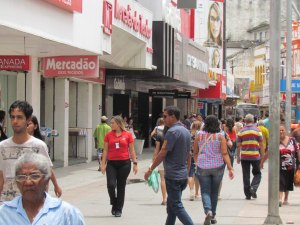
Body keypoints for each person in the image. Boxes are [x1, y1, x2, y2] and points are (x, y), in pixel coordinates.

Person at [0, 100, 62, 202]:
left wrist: (53, 188)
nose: (15, 121)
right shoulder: (2, 147)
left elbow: (46, 174)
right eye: (12, 117)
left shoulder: (39, 146)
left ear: (28, 119)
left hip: (31, 204)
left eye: (19, 117)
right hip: (6, 205)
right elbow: (1, 176)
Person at [0, 153, 85, 224]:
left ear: (46, 180)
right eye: (22, 177)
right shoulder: (4, 213)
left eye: (34, 176)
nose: (28, 182)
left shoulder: (67, 213)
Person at [144, 106, 194, 225]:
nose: (163, 118)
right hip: (181, 175)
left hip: (174, 176)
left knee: (176, 206)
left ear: (173, 117)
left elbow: (162, 152)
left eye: (165, 116)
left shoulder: (172, 132)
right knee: (171, 208)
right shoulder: (185, 131)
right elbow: (189, 155)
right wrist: (186, 172)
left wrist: (150, 169)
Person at [193, 115, 234, 225]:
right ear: (217, 124)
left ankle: (208, 211)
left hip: (203, 167)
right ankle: (213, 216)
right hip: (218, 166)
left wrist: (197, 161)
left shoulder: (199, 135)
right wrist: (230, 168)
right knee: (214, 192)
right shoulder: (221, 136)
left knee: (205, 191)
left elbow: (195, 152)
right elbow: (225, 153)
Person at [101, 115, 138, 217]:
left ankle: (118, 209)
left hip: (125, 164)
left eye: (112, 123)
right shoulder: (108, 135)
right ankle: (114, 202)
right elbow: (105, 151)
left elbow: (132, 150)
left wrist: (135, 163)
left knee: (121, 187)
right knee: (111, 185)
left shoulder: (128, 135)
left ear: (118, 123)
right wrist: (103, 164)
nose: (111, 124)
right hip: (112, 163)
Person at [261, 125, 300, 207]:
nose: (281, 132)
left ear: (285, 131)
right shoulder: (275, 141)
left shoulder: (292, 140)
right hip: (279, 167)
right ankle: (279, 199)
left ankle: (285, 199)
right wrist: (262, 162)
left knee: (288, 183)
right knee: (281, 182)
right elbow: (268, 152)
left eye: (282, 130)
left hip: (291, 166)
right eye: (279, 130)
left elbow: (297, 152)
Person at [237, 114, 263, 200]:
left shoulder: (241, 131)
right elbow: (261, 145)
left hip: (244, 156)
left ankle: (248, 194)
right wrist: (262, 157)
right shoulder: (257, 130)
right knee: (257, 173)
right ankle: (253, 188)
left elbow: (238, 145)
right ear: (253, 121)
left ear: (245, 121)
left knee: (246, 175)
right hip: (255, 156)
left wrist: (238, 157)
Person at [152, 119, 167, 205]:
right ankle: (170, 198)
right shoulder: (175, 134)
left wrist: (153, 160)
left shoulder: (159, 135)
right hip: (172, 160)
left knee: (163, 179)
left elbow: (156, 150)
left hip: (161, 158)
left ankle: (164, 198)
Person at [188, 120, 201, 201]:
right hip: (198, 155)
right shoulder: (201, 134)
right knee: (197, 175)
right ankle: (197, 192)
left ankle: (191, 191)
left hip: (189, 155)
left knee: (190, 174)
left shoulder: (189, 134)